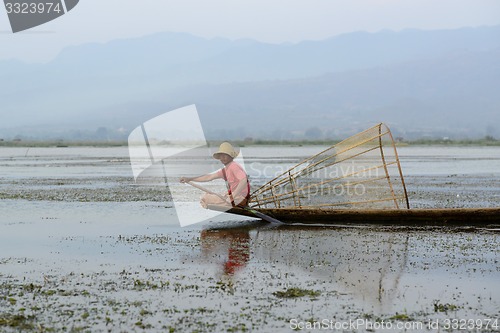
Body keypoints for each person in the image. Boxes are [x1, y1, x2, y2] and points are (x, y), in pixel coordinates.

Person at [180, 142, 250, 208]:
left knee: (205, 198)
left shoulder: (233, 166)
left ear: (231, 156)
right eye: (221, 156)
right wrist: (190, 179)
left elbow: (244, 180)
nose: (222, 158)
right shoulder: (225, 170)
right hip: (235, 198)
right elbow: (209, 177)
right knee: (207, 196)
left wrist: (233, 196)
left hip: (240, 199)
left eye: (225, 155)